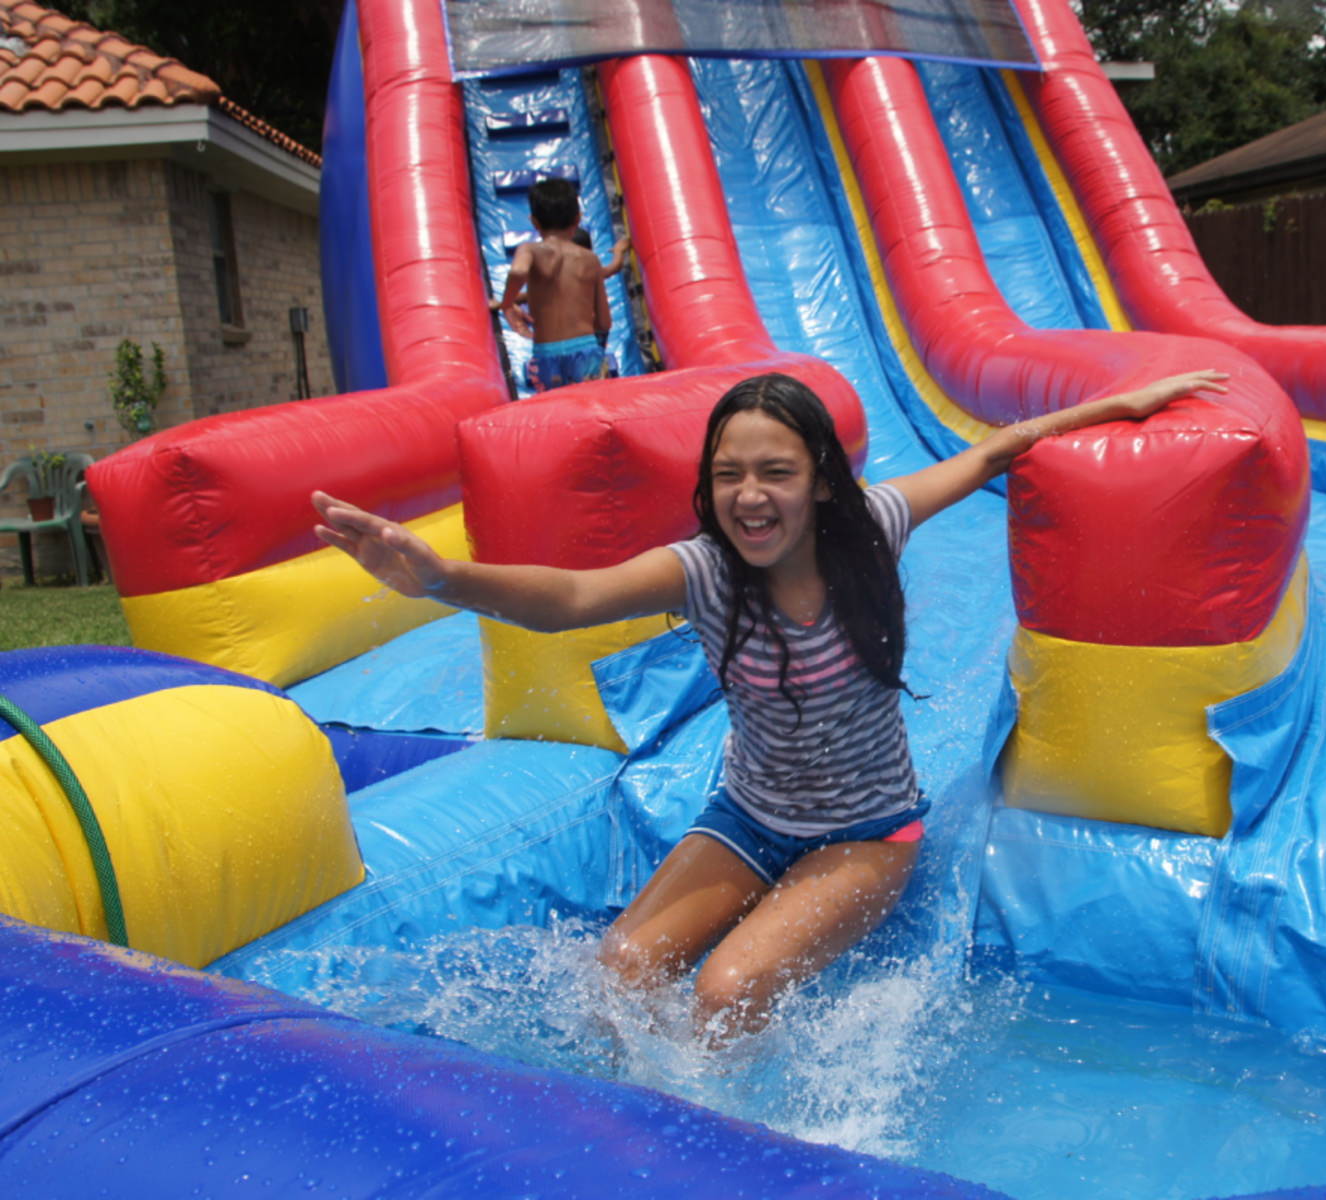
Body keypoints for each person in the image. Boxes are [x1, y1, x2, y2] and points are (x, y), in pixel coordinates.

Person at [311, 367, 1228, 1041]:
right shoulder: (706, 574)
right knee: (615, 981)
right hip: (748, 818)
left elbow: (991, 449)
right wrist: (442, 580)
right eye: (728, 475)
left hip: (867, 835)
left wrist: (1118, 405)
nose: (750, 496)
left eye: (776, 472)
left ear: (821, 480)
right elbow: (575, 599)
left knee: (724, 995)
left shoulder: (872, 527)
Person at [491, 178, 632, 389]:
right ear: (577, 219)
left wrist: (506, 304)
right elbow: (604, 322)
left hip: (547, 353)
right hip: (585, 350)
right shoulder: (589, 259)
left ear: (534, 222)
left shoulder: (529, 250)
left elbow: (519, 270)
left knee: (556, 410)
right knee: (591, 406)